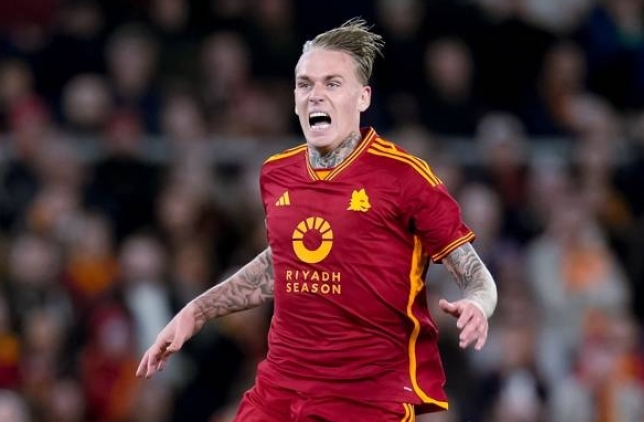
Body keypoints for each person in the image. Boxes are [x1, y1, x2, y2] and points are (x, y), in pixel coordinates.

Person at [136, 18, 498, 421]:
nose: (316, 95)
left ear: (362, 98)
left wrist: (477, 304)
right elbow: (283, 262)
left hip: (367, 397)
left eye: (332, 83)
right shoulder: (276, 173)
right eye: (305, 84)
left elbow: (476, 275)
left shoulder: (405, 177)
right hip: (280, 389)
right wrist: (197, 311)